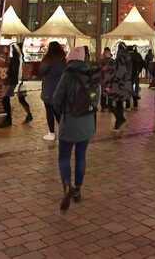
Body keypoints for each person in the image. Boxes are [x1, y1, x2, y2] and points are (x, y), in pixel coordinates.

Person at [50, 46, 99, 212]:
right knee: (81, 156)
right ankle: (77, 190)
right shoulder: (92, 74)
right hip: (87, 122)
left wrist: (62, 113)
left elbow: (56, 100)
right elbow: (96, 99)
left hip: (70, 121)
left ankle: (66, 186)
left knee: (64, 156)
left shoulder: (68, 75)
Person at [0, 43, 33, 128]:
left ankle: (8, 118)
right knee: (21, 99)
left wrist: (7, 74)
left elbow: (13, 71)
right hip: (20, 81)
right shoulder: (21, 57)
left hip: (13, 81)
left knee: (5, 99)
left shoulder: (15, 58)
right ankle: (29, 114)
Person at [39, 42, 67, 141]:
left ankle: (51, 133)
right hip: (60, 89)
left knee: (49, 112)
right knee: (58, 112)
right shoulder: (63, 60)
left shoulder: (48, 59)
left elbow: (41, 71)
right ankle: (63, 132)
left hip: (49, 89)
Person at [107, 43, 132, 130]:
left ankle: (120, 120)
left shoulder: (120, 57)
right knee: (119, 103)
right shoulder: (128, 58)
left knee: (111, 104)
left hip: (119, 84)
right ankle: (119, 120)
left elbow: (119, 71)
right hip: (125, 83)